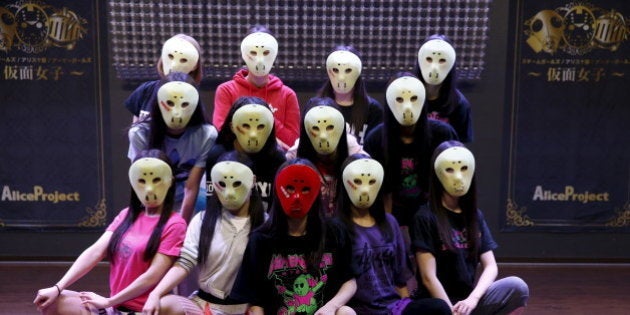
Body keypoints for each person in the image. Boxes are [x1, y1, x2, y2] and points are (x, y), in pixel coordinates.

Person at [33, 149, 187, 314]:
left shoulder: (175, 224)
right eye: (142, 180)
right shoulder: (126, 215)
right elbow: (95, 252)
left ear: (169, 181)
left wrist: (108, 301)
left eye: (156, 180)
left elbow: (153, 275)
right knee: (52, 301)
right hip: (114, 307)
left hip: (144, 310)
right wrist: (58, 287)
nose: (149, 189)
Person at [411, 141, 529, 315]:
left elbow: (491, 266)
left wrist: (472, 300)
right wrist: (451, 311)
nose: (458, 176)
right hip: (438, 305)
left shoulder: (474, 215)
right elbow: (429, 278)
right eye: (449, 170)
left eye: (464, 169)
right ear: (437, 174)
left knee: (517, 286)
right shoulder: (425, 217)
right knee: (439, 309)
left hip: (467, 304)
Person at [143, 152, 266, 315]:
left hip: (244, 308)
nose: (229, 193)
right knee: (163, 305)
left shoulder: (266, 225)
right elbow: (185, 262)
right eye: (222, 183)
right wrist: (156, 293)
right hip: (203, 306)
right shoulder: (202, 220)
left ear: (252, 181)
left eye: (237, 183)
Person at [230, 158, 357, 315]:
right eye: (289, 188)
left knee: (346, 312)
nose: (297, 197)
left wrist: (332, 306)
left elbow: (349, 281)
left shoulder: (335, 232)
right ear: (278, 190)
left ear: (316, 191)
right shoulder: (261, 239)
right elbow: (256, 303)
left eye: (305, 189)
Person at [337, 154, 451, 315]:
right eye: (357, 181)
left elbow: (400, 278)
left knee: (439, 308)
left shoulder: (389, 223)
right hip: (359, 309)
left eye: (371, 182)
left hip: (393, 307)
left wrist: (405, 306)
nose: (365, 188)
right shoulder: (337, 227)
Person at [363, 72, 458, 240]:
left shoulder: (442, 134)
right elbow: (379, 191)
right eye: (399, 99)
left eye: (413, 99)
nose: (407, 107)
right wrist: (387, 231)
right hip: (390, 210)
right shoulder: (376, 139)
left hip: (431, 210)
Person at [128, 72, 217, 222]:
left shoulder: (206, 134)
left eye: (184, 104)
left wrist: (180, 227)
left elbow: (191, 187)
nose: (177, 112)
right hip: (152, 196)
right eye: (169, 103)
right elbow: (141, 181)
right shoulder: (140, 134)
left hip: (191, 201)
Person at [212, 25, 299, 150]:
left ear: (274, 54)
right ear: (244, 54)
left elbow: (292, 142)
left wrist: (267, 116)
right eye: (253, 52)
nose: (259, 60)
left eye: (266, 53)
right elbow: (221, 133)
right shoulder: (226, 90)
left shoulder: (287, 95)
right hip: (236, 156)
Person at [288, 97, 366, 217]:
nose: (323, 136)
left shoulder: (352, 150)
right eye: (315, 128)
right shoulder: (295, 154)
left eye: (330, 127)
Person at [206, 96, 286, 211]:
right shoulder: (217, 156)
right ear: (232, 127)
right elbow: (212, 205)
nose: (253, 134)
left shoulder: (277, 159)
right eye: (245, 126)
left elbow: (277, 210)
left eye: (261, 126)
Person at [124, 34, 203, 122]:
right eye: (170, 56)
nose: (174, 65)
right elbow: (135, 128)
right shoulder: (146, 90)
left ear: (195, 65)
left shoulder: (193, 96)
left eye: (183, 60)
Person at [317, 45, 383, 145]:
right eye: (335, 70)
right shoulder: (317, 108)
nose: (342, 78)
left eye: (348, 70)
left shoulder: (373, 110)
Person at [415, 34, 473, 142]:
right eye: (428, 59)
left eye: (442, 60)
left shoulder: (460, 104)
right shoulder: (405, 96)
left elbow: (459, 146)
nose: (434, 67)